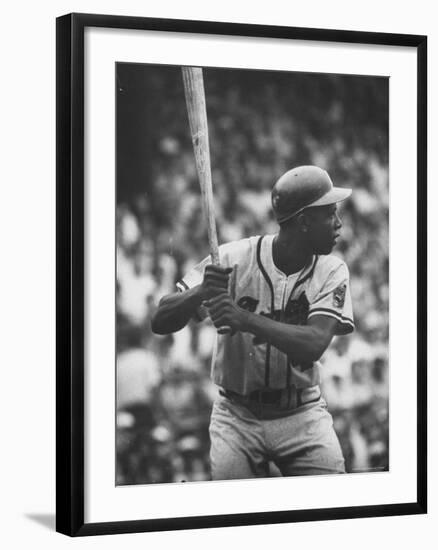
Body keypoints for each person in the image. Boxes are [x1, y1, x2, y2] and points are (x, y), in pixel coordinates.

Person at [151, 165, 354, 480]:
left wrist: (243, 319)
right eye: (330, 214)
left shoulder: (332, 269)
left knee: (336, 506)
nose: (339, 223)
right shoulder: (234, 258)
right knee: (232, 515)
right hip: (237, 417)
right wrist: (201, 292)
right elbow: (160, 319)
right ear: (303, 221)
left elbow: (314, 343)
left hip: (302, 414)